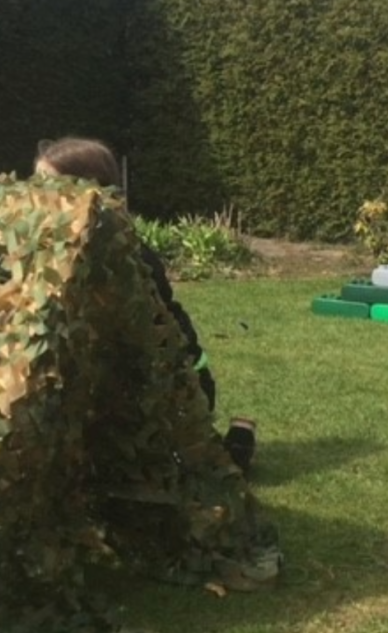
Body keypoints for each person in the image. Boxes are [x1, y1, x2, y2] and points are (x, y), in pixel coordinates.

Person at [34, 136, 255, 473]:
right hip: (111, 389)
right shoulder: (52, 246)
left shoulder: (127, 254)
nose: (37, 196)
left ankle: (238, 441)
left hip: (174, 387)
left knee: (181, 477)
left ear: (89, 190)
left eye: (49, 185)